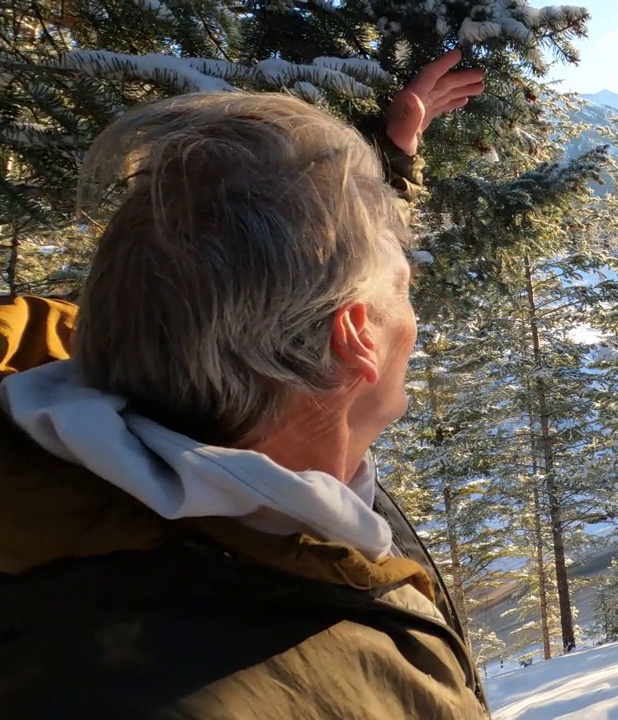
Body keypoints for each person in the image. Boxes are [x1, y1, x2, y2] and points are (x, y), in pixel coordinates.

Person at [0, 51, 490, 719]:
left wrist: (384, 166)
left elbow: (224, 262)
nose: (413, 313)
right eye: (402, 289)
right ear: (355, 339)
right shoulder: (248, 677)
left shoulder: (90, 416)